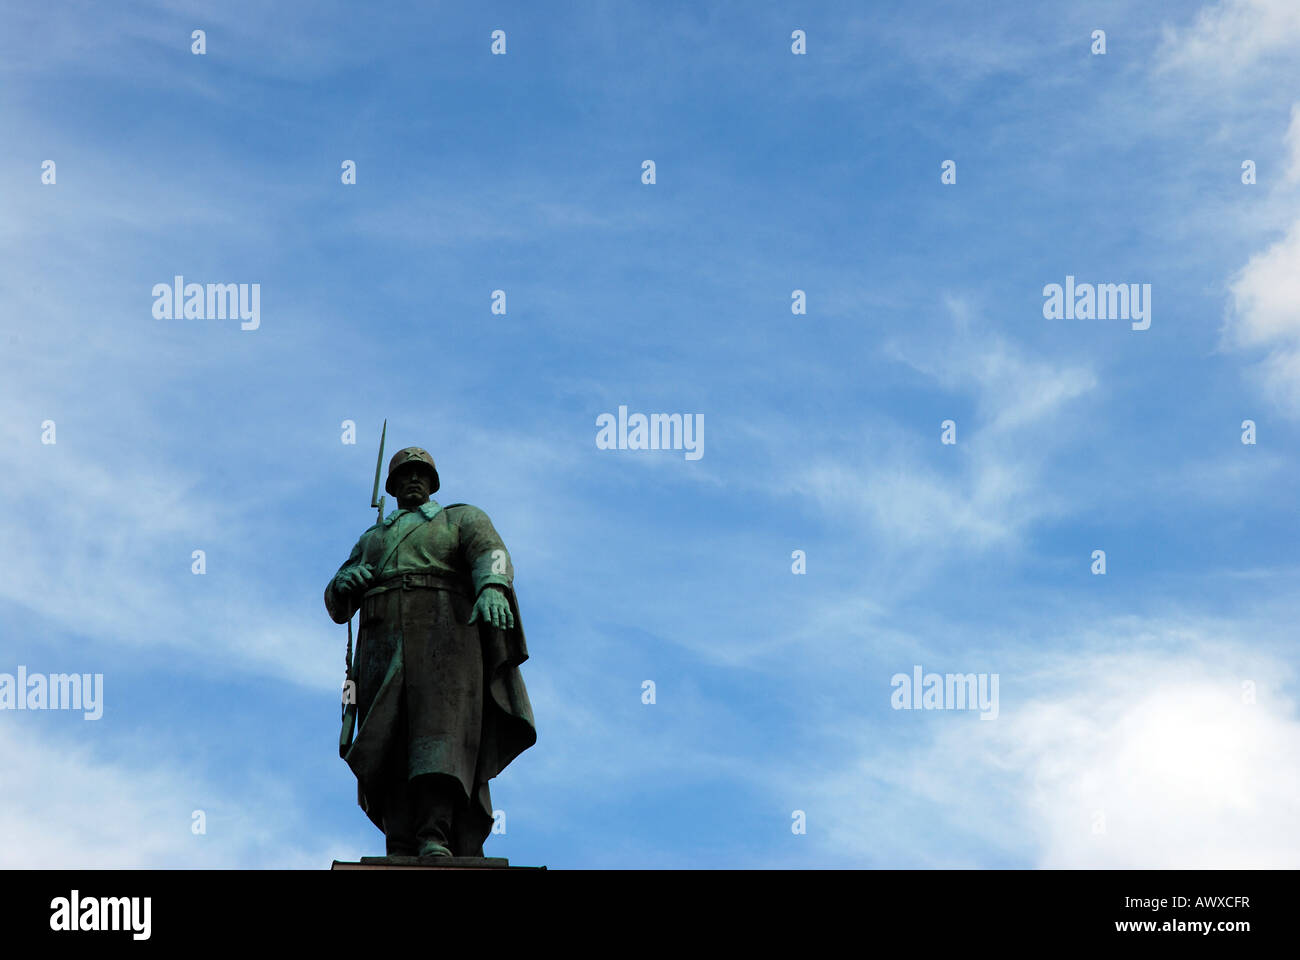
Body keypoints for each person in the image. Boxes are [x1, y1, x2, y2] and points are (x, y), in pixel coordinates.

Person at [324, 447, 535, 857]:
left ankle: (434, 834)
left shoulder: (459, 518)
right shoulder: (373, 538)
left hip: (445, 639)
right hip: (381, 645)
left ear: (433, 482)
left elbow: (491, 553)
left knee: (439, 739)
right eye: (405, 476)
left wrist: (492, 586)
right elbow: (336, 602)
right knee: (388, 742)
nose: (413, 480)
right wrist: (346, 582)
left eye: (420, 474)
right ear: (393, 486)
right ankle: (399, 839)